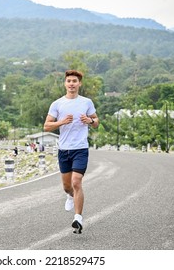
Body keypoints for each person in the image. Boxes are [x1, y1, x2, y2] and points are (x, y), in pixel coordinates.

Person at [43, 69, 99, 234]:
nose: (72, 84)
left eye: (75, 81)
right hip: (64, 150)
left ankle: (78, 218)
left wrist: (90, 120)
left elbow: (96, 122)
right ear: (65, 84)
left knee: (76, 182)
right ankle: (69, 195)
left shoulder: (86, 102)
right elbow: (46, 126)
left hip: (80, 149)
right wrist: (61, 122)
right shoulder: (57, 104)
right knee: (67, 187)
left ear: (79, 84)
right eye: (69, 81)